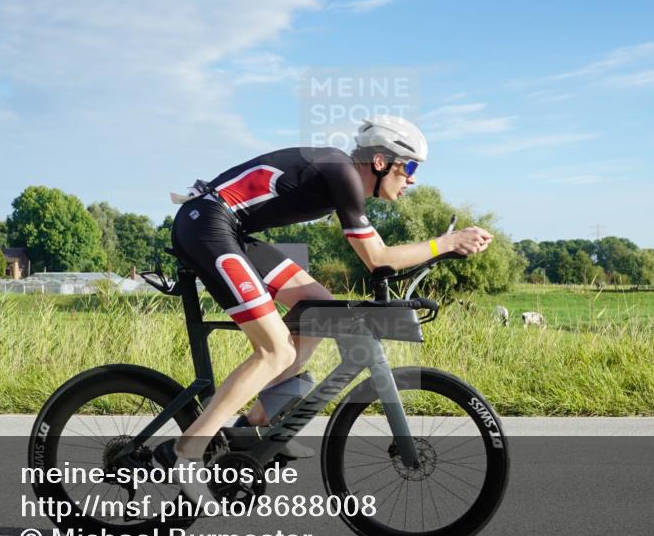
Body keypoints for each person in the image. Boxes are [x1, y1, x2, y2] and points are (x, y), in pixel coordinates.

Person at [159, 115, 493, 504]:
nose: (414, 179)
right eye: (411, 167)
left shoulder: (343, 177)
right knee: (276, 350)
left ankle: (255, 426)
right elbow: (378, 259)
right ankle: (188, 451)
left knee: (321, 309)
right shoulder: (343, 173)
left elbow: (379, 260)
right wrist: (447, 243)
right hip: (206, 224)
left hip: (229, 230)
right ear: (381, 162)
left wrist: (440, 249)